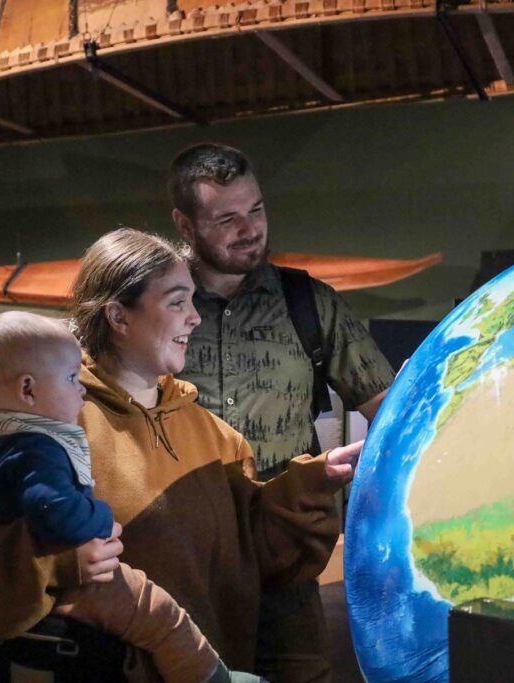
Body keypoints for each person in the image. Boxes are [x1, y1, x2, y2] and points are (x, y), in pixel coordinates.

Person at [0, 228, 361, 681]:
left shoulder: (216, 436)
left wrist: (312, 483)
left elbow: (254, 560)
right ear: (119, 318)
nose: (195, 317)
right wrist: (52, 562)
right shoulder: (44, 433)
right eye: (177, 301)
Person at [0, 310, 242, 683]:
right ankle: (211, 677)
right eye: (72, 379)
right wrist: (100, 517)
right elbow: (54, 509)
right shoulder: (40, 448)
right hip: (56, 567)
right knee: (156, 611)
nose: (82, 389)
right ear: (28, 390)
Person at [167, 143, 396, 682]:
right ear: (185, 223)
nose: (250, 229)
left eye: (257, 209)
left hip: (285, 561)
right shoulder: (158, 306)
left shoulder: (309, 302)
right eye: (226, 217)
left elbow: (387, 408)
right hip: (181, 565)